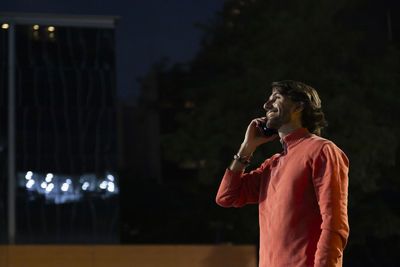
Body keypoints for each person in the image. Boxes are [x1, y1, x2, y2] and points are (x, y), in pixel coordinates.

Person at [216, 80, 349, 267]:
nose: (266, 105)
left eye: (276, 98)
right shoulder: (271, 165)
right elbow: (227, 197)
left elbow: (335, 223)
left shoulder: (322, 150)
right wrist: (246, 147)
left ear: (298, 107)